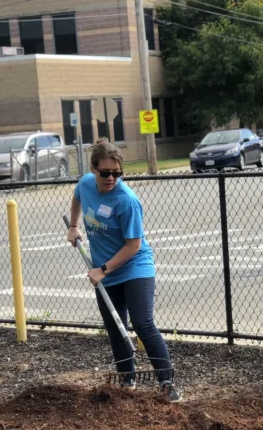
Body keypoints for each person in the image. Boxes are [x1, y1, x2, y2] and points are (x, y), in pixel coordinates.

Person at [66, 138, 180, 402]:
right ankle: (127, 381)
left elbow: (133, 246)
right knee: (116, 327)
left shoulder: (126, 201)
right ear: (93, 169)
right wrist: (73, 226)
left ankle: (167, 382)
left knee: (142, 322)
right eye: (105, 173)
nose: (111, 178)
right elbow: (77, 198)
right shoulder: (86, 183)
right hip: (106, 271)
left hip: (135, 267)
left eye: (117, 173)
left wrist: (103, 270)